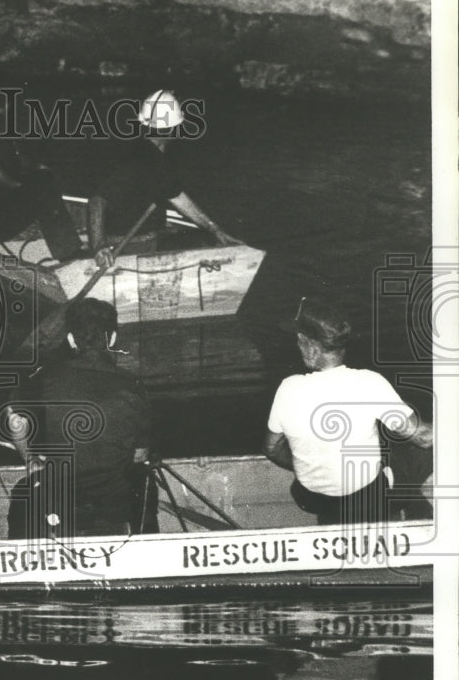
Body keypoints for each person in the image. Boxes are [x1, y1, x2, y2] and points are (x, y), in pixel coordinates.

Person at [264, 297, 434, 526]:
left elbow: (272, 449)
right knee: (414, 450)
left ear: (311, 346)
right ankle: (409, 504)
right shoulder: (368, 383)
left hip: (313, 498)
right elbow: (424, 438)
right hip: (367, 500)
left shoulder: (287, 388)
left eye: (299, 338)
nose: (297, 343)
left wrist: (310, 467)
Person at [5, 299, 157, 538]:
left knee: (23, 492)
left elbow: (16, 424)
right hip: (115, 504)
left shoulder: (41, 379)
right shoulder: (133, 385)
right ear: (113, 338)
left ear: (71, 339)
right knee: (146, 484)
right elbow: (140, 454)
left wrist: (31, 459)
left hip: (57, 501)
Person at [90, 89, 243, 268]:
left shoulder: (152, 157)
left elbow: (176, 196)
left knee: (197, 238)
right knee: (198, 244)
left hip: (145, 238)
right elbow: (97, 201)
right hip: (130, 246)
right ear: (172, 128)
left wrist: (214, 229)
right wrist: (99, 246)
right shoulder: (140, 160)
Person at [0, 82, 82, 262]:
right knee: (42, 182)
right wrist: (20, 188)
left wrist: (34, 169)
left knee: (41, 178)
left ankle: (62, 244)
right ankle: (71, 255)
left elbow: (17, 164)